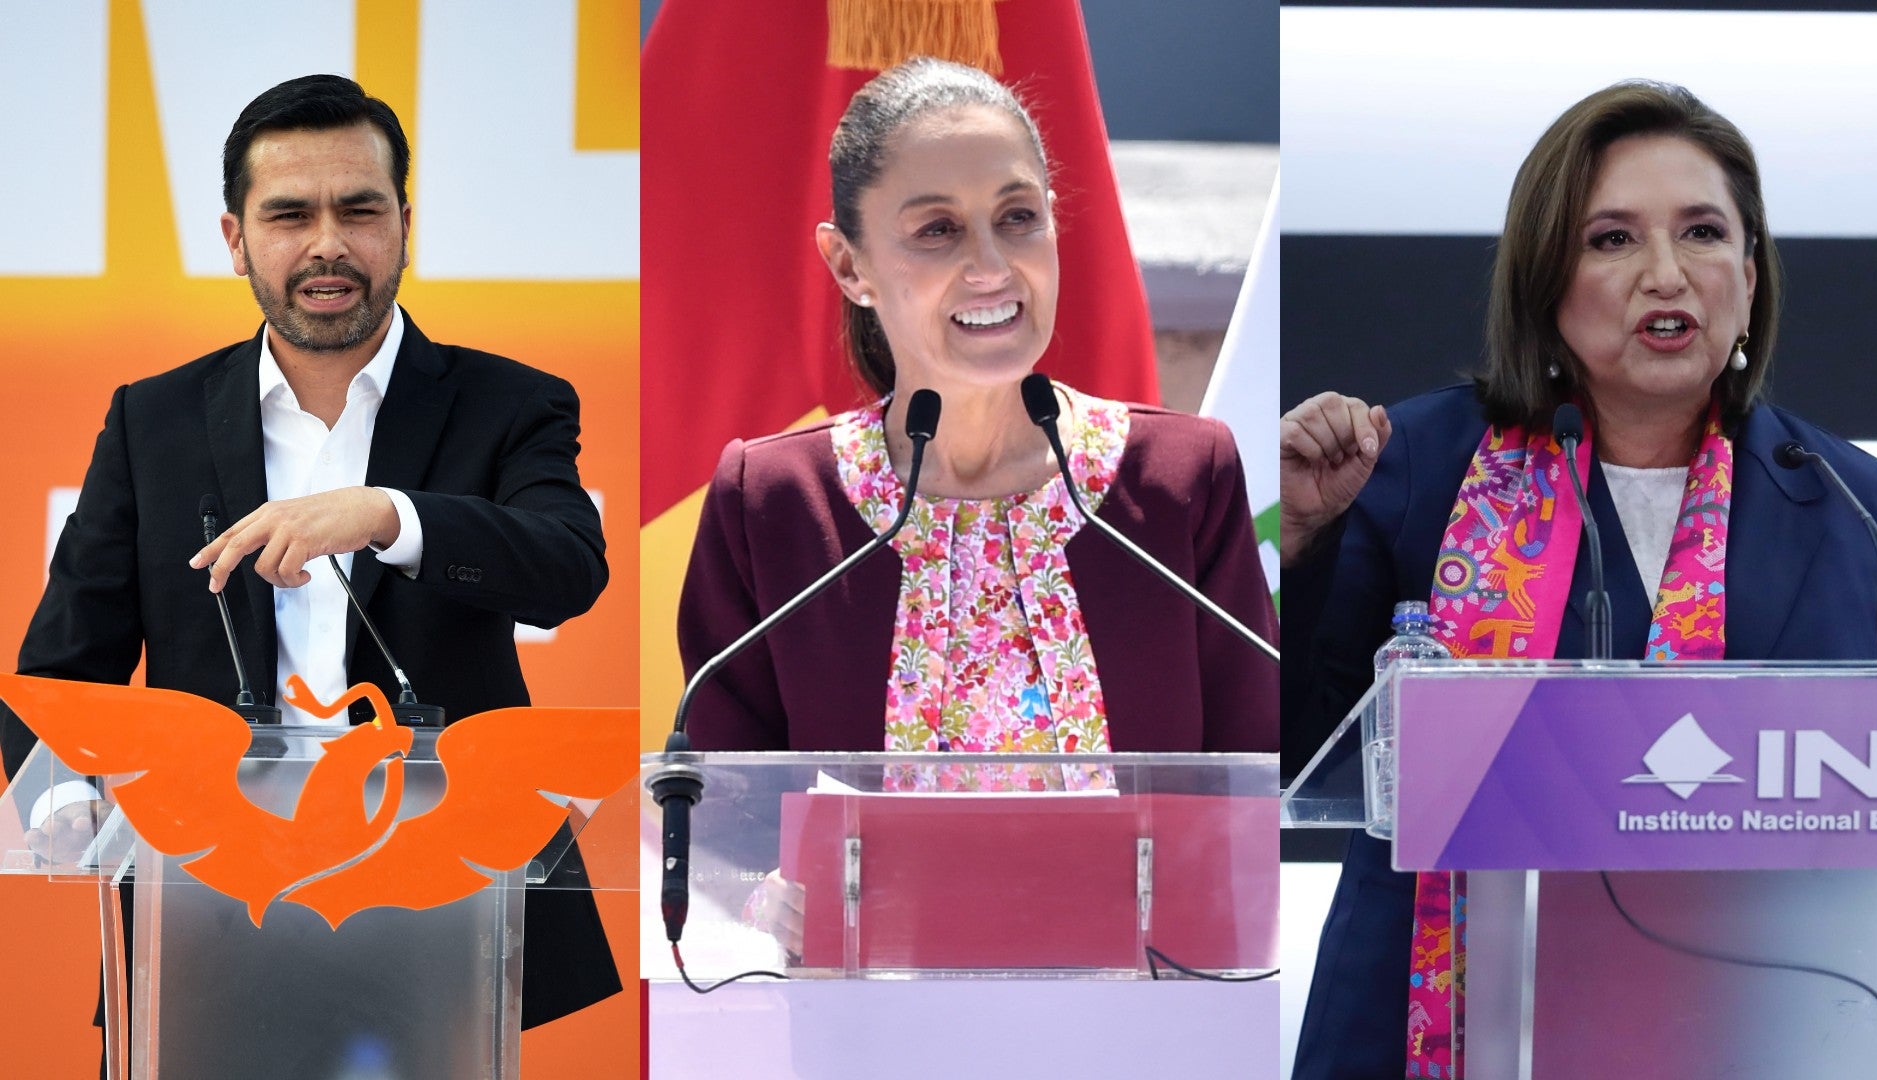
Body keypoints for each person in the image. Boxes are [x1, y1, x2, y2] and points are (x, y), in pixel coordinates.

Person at [1281, 80, 1877, 1078]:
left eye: (1704, 233)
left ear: (1749, 278)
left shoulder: (1852, 505)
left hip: (1766, 1026)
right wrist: (1301, 539)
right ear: (1546, 278)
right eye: (1612, 239)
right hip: (1432, 1029)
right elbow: (1294, 759)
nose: (1665, 274)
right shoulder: (1412, 465)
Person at [0, 74, 621, 1060]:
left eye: (359, 210)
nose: (327, 242)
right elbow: (57, 677)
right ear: (235, 238)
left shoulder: (510, 403)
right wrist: (71, 808)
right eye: (289, 214)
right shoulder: (152, 422)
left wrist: (389, 516)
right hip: (206, 905)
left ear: (404, 225)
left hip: (443, 899)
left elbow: (565, 566)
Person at [675, 57, 1278, 757]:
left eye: (1018, 217)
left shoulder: (1181, 477)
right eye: (938, 230)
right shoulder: (773, 503)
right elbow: (726, 811)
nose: (992, 266)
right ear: (849, 266)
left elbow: (1248, 786)